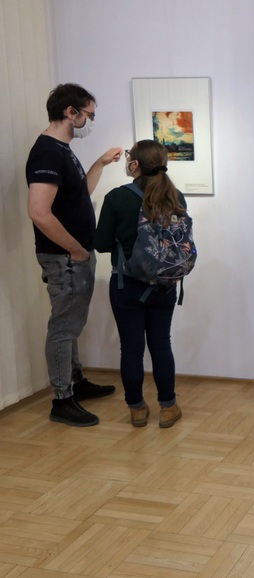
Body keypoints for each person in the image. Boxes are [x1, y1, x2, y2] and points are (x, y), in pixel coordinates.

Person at [26, 83, 122, 427]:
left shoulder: (62, 150)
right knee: (64, 326)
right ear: (71, 112)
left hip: (73, 255)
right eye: (88, 116)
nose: (89, 122)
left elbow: (79, 194)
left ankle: (76, 382)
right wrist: (75, 249)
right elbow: (39, 212)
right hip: (64, 257)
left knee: (72, 322)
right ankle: (62, 399)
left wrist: (100, 163)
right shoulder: (47, 153)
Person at [95, 140, 185, 428]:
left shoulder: (116, 198)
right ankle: (168, 407)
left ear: (134, 164)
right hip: (164, 284)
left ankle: (137, 409)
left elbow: (101, 243)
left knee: (131, 348)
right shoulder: (175, 196)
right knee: (161, 345)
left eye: (129, 156)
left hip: (127, 284)